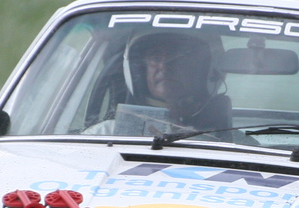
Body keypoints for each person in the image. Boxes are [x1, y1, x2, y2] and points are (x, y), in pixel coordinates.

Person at [84, 32, 227, 135]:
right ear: (138, 71)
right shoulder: (103, 135)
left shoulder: (230, 143)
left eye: (176, 58)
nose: (164, 66)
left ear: (204, 70)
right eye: (155, 57)